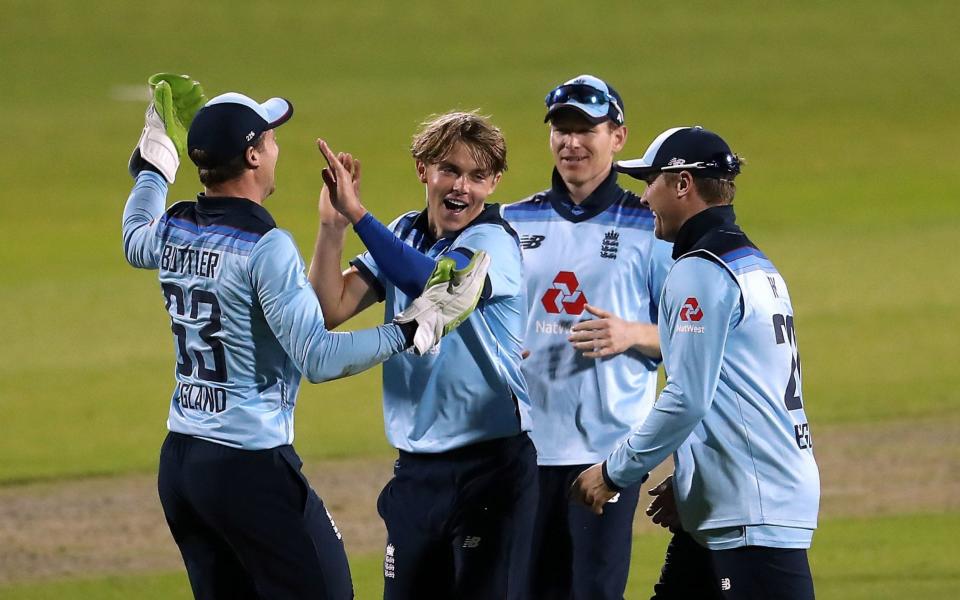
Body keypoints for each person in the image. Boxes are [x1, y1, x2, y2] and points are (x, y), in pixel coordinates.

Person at [121, 75, 487, 600]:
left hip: (181, 465)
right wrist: (414, 327)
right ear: (252, 157)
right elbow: (317, 357)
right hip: (248, 468)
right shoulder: (264, 246)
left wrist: (155, 164)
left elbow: (135, 236)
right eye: (268, 138)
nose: (275, 147)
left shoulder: (176, 225)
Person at [571, 126, 820, 600]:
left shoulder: (701, 269)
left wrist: (612, 473)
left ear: (683, 183)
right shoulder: (756, 264)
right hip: (733, 503)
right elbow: (739, 389)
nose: (644, 198)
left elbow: (687, 397)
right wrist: (693, 482)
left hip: (752, 508)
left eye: (651, 182)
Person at [309, 111, 536, 600]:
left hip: (490, 467)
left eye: (478, 176)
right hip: (416, 469)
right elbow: (331, 308)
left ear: (495, 183)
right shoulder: (403, 233)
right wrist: (333, 227)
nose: (462, 187)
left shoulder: (491, 241)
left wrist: (360, 216)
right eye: (450, 169)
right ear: (423, 170)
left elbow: (437, 286)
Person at [501, 74, 673, 599]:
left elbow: (695, 337)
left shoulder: (652, 227)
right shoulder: (511, 221)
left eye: (586, 130)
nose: (571, 143)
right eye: (561, 130)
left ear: (618, 137)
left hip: (607, 450)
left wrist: (630, 333)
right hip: (525, 445)